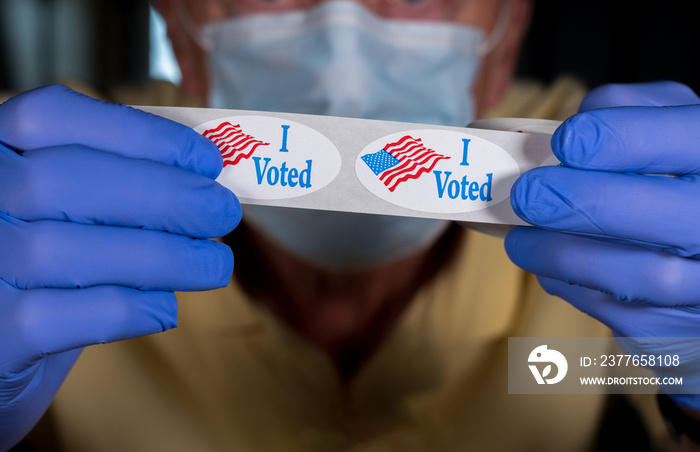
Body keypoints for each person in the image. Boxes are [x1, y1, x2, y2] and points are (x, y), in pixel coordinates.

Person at [1, 0, 700, 450]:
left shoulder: (609, 171)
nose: (342, 47)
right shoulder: (31, 178)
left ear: (504, 34)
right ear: (182, 32)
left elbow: (617, 376)